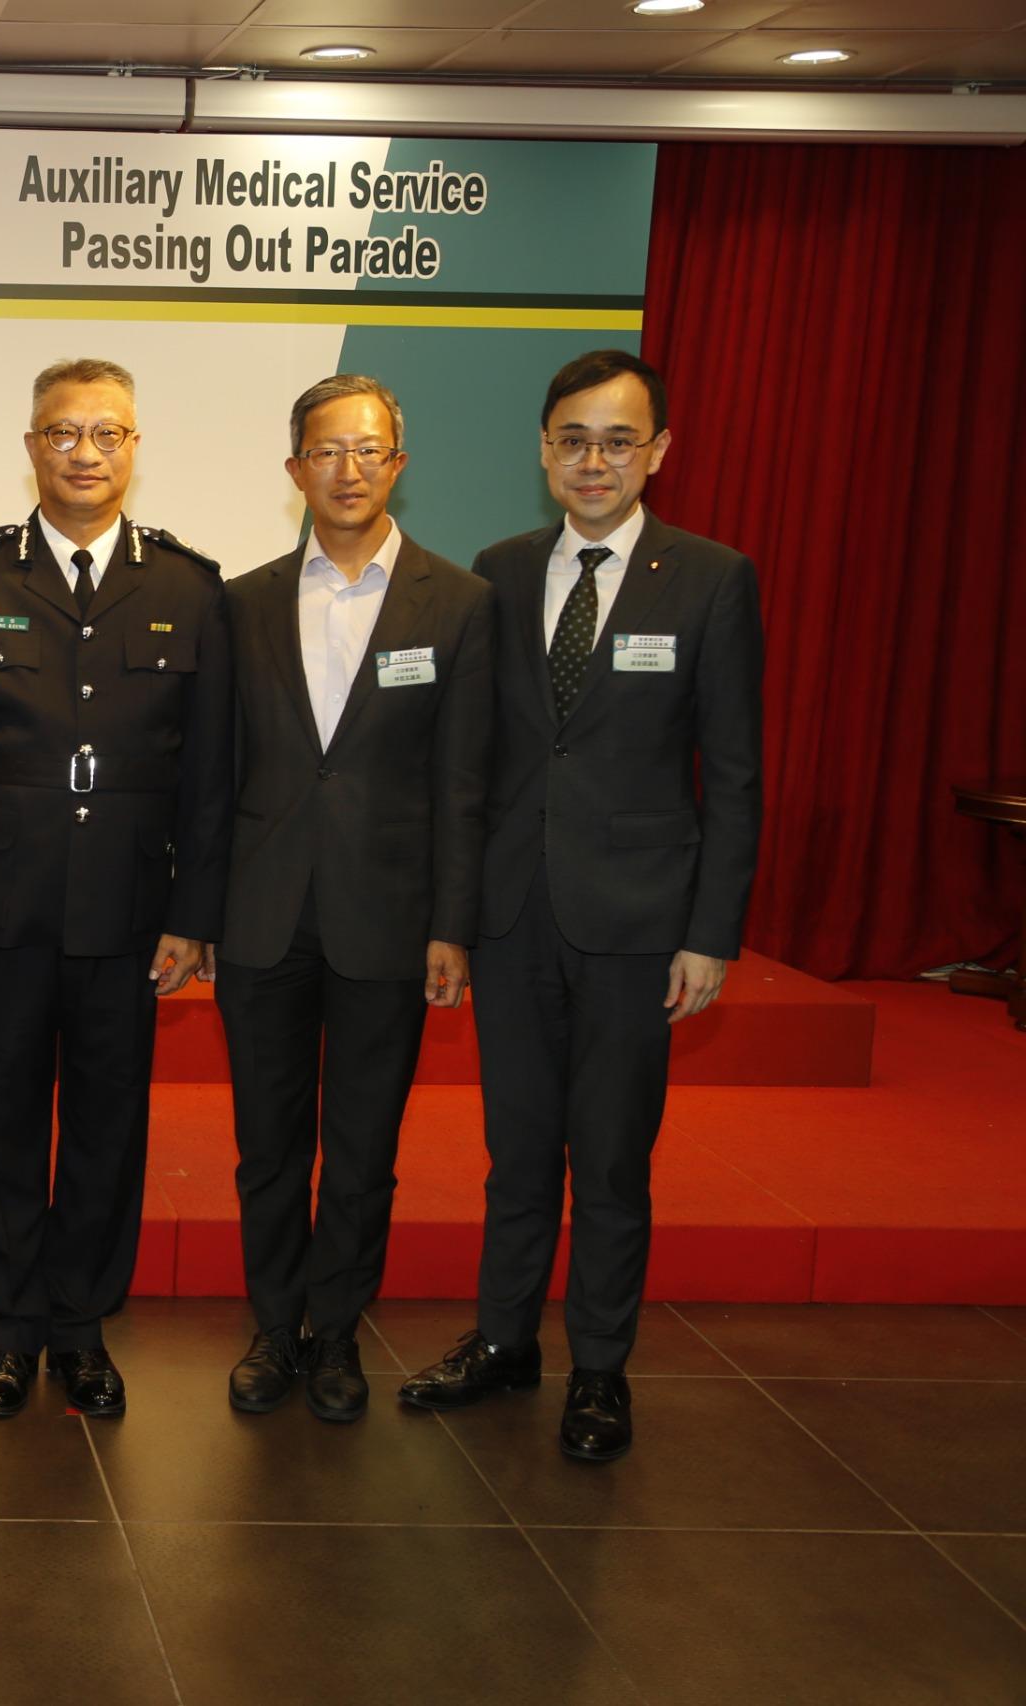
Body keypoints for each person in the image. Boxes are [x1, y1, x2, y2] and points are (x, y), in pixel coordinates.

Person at [400, 350, 763, 1462]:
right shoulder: (496, 573)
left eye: (617, 440)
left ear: (656, 451)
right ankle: (504, 1341)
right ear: (542, 450)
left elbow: (736, 773)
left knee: (608, 1157)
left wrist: (710, 932)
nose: (592, 460)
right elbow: (470, 765)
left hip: (637, 925)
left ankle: (599, 1368)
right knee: (515, 1152)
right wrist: (452, 917)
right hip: (513, 919)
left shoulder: (708, 578)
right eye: (571, 439)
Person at [0, 357, 231, 1419]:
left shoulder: (188, 586)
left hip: (130, 913)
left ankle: (82, 1327)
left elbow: (210, 767)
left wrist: (194, 913)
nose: (84, 452)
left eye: (107, 434)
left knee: (107, 1127)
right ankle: (7, 1330)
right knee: (0, 1126)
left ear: (135, 448)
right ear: (31, 446)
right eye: (62, 433)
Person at [214, 375, 493, 1423]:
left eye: (368, 450)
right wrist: (197, 912)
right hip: (262, 917)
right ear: (295, 468)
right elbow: (213, 776)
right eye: (326, 451)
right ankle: (272, 1327)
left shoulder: (458, 603)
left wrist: (451, 924)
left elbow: (465, 781)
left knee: (365, 1147)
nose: (347, 469)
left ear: (398, 467)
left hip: (389, 919)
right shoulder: (238, 602)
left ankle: (336, 1333)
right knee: (268, 1143)